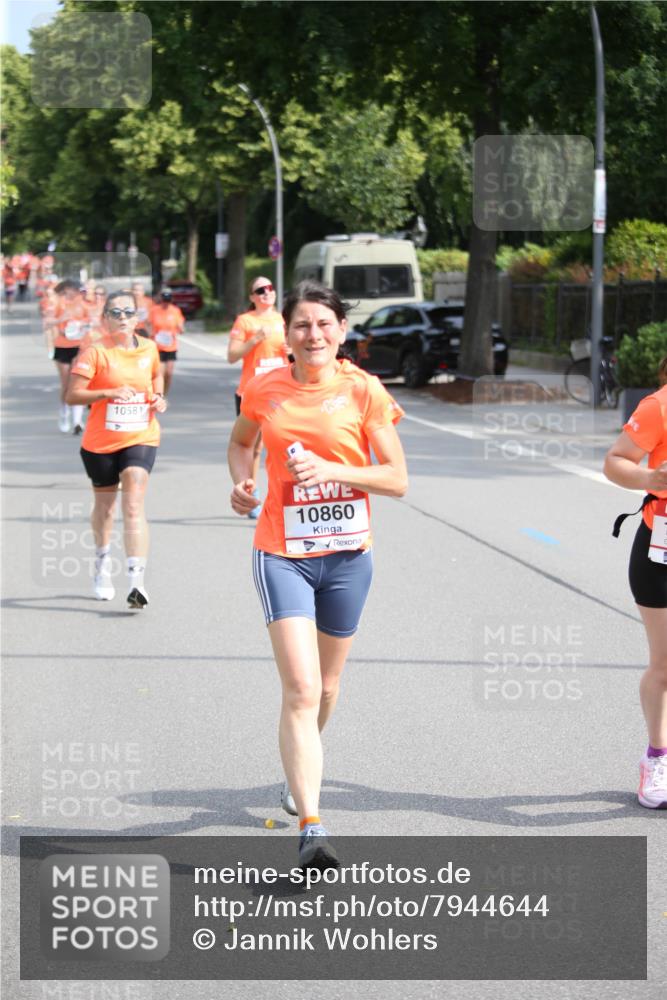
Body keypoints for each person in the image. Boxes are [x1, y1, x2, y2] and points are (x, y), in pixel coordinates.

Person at [228, 281, 407, 867]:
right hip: (282, 551)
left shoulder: (362, 390)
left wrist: (330, 467)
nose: (314, 335)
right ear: (288, 332)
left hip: (349, 555)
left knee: (327, 689)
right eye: (302, 325)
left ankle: (299, 767)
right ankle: (311, 823)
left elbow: (397, 478)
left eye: (324, 324)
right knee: (302, 689)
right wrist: (243, 482)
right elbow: (240, 442)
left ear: (342, 331)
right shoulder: (265, 387)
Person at [66, 290, 167, 608]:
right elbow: (72, 395)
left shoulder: (149, 348)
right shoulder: (95, 352)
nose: (122, 317)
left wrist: (159, 397)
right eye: (115, 312)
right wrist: (108, 392)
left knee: (134, 502)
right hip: (100, 443)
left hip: (141, 435)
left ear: (137, 318)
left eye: (128, 312)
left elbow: (156, 376)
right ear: (105, 319)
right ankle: (101, 563)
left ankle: (137, 583)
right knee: (107, 508)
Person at [604, 355, 667, 808]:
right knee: (665, 666)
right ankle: (657, 757)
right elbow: (615, 461)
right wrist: (650, 476)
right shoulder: (659, 406)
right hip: (661, 552)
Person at [227, 276, 288, 518]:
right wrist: (254, 339)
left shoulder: (284, 319)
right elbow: (231, 355)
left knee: (281, 443)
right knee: (252, 446)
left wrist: (292, 351)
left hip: (281, 391)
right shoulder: (245, 321)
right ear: (252, 297)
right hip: (251, 392)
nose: (266, 292)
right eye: (260, 290)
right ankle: (251, 493)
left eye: (270, 288)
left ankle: (282, 493)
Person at [49, 280, 90, 434]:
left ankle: (77, 421)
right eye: (75, 290)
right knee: (66, 384)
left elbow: (92, 321)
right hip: (62, 346)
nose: (77, 293)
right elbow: (47, 322)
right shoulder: (58, 303)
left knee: (77, 382)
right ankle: (64, 413)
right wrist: (60, 320)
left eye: (79, 290)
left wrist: (84, 325)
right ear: (67, 290)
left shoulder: (83, 304)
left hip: (79, 346)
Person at [148, 287, 184, 395]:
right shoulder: (154, 310)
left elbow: (181, 327)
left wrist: (180, 327)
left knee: (169, 373)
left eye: (168, 298)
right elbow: (148, 324)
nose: (166, 301)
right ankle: (158, 394)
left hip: (171, 346)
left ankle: (165, 394)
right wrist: (151, 334)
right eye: (164, 297)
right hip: (158, 346)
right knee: (161, 373)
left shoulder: (175, 311)